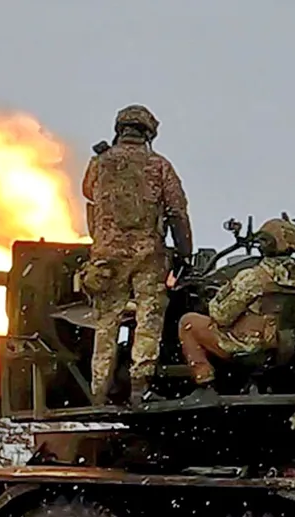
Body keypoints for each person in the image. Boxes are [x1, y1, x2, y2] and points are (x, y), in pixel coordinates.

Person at [79, 104, 192, 404]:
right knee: (148, 319)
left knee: (106, 323)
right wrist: (185, 253)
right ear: (148, 133)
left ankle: (99, 390)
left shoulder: (99, 163)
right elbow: (177, 211)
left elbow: (88, 191)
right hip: (147, 257)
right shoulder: (159, 166)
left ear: (120, 129)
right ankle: (139, 388)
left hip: (106, 256)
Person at [177, 217, 295, 386]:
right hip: (284, 351)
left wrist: (215, 301)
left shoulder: (253, 278)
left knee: (188, 322)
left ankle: (205, 381)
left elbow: (221, 316)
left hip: (245, 348)